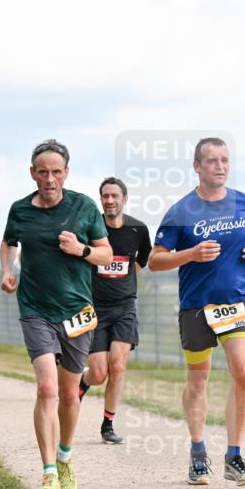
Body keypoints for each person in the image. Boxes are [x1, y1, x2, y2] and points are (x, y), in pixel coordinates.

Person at [0, 139, 113, 489]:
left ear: (66, 173)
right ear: (32, 173)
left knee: (68, 393)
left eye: (56, 172)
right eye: (43, 172)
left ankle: (64, 458)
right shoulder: (20, 209)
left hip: (77, 311)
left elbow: (105, 255)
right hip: (35, 308)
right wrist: (8, 268)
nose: (49, 178)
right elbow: (8, 243)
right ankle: (48, 475)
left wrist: (80, 249)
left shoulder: (84, 207)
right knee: (47, 389)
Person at [149, 137, 245, 487]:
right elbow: (155, 260)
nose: (220, 166)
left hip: (237, 301)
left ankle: (234, 455)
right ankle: (198, 453)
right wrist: (191, 255)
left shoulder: (244, 201)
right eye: (212, 161)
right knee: (199, 380)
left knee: (242, 373)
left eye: (225, 159)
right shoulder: (181, 212)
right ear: (197, 167)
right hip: (197, 307)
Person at [77, 177, 152, 444]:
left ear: (124, 199)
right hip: (95, 308)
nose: (110, 201)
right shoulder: (90, 228)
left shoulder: (138, 229)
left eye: (114, 196)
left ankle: (108, 424)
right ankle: (82, 384)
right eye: (105, 196)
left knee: (118, 366)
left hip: (124, 307)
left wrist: (124, 283)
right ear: (101, 200)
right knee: (98, 373)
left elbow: (142, 259)